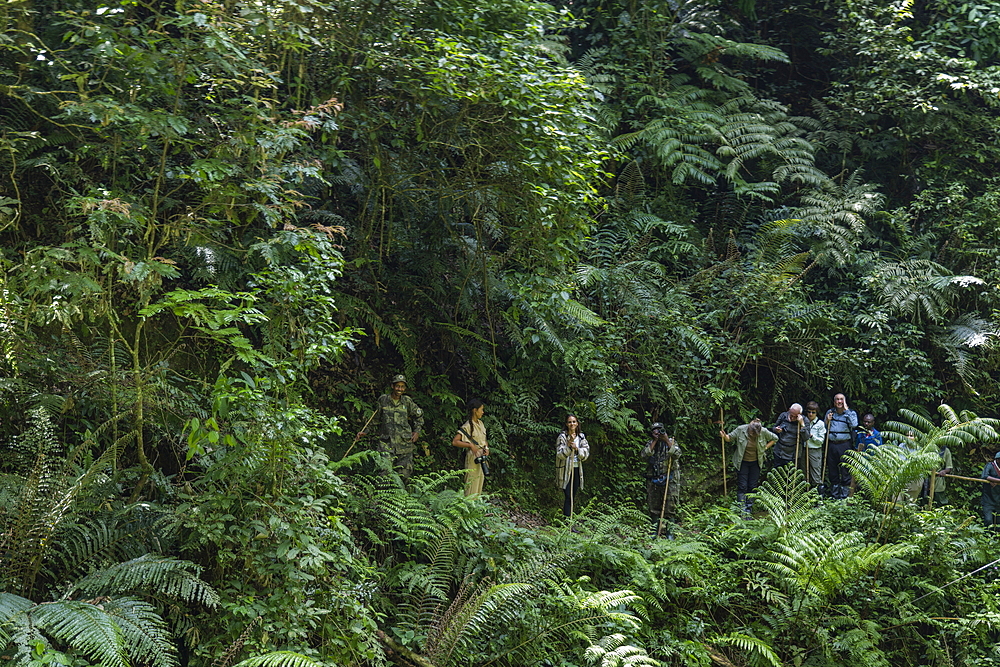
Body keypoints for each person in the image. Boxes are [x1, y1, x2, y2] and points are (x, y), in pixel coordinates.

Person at [360, 373, 424, 480]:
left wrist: (417, 431)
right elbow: (375, 419)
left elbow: (419, 416)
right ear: (392, 386)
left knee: (404, 474)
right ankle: (381, 496)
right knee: (384, 472)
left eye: (402, 386)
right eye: (397, 386)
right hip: (386, 443)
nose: (400, 389)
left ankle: (400, 496)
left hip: (404, 444)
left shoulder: (407, 402)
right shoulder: (383, 400)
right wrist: (365, 431)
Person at [720, 417, 777, 513]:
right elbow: (729, 438)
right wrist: (724, 436)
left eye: (755, 434)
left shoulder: (763, 431)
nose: (752, 435)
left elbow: (775, 438)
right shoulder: (740, 429)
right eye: (751, 433)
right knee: (742, 485)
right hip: (742, 462)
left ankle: (748, 509)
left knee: (752, 485)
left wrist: (765, 448)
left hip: (756, 462)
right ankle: (742, 509)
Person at [642, 423, 681, 536]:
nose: (658, 433)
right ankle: (654, 531)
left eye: (660, 430)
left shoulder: (671, 442)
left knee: (670, 506)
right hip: (653, 478)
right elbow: (644, 454)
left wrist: (667, 441)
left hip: (670, 478)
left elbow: (678, 454)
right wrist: (654, 441)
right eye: (655, 431)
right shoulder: (650, 443)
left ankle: (670, 533)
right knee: (653, 506)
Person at [555, 415, 590, 517]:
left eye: (574, 422)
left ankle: (569, 521)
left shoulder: (581, 437)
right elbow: (559, 454)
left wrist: (577, 449)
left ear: (577, 423)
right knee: (568, 495)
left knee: (572, 495)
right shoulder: (562, 437)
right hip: (565, 470)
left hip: (577, 469)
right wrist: (569, 447)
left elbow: (586, 453)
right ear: (566, 424)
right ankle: (568, 522)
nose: (572, 424)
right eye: (570, 422)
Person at [452, 398, 488, 497]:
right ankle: (468, 507)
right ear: (475, 410)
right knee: (472, 483)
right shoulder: (467, 426)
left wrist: (486, 448)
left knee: (480, 482)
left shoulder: (481, 424)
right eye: (481, 410)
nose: (483, 412)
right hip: (473, 458)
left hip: (482, 457)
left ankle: (476, 509)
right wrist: (470, 445)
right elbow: (455, 442)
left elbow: (484, 439)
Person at [824, 393, 858, 499]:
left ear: (845, 401)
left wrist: (847, 410)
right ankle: (835, 495)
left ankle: (844, 496)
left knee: (845, 470)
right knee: (833, 470)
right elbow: (824, 426)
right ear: (834, 402)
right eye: (837, 400)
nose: (839, 402)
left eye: (841, 400)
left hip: (844, 444)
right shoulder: (830, 412)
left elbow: (854, 425)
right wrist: (827, 420)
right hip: (832, 445)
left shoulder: (850, 413)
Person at [771, 403, 809, 470]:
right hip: (779, 451)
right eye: (791, 415)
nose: (792, 418)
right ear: (789, 410)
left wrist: (802, 424)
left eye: (795, 416)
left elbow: (806, 438)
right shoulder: (783, 416)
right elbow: (773, 428)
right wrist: (776, 430)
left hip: (793, 454)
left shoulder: (805, 421)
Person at [803, 402, 826, 488]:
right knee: (803, 472)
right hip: (804, 449)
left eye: (813, 412)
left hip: (815, 450)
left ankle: (818, 496)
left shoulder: (820, 423)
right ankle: (806, 493)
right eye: (809, 412)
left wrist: (812, 436)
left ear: (817, 413)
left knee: (815, 473)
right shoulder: (803, 422)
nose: (810, 414)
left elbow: (821, 441)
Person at [980, 453, 1000, 529]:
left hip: (998, 499)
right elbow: (985, 476)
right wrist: (997, 480)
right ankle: (987, 537)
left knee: (998, 522)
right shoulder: (990, 466)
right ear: (997, 460)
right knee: (988, 520)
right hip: (988, 499)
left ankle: (996, 539)